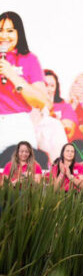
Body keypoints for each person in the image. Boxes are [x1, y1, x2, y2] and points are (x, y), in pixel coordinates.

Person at [0, 11, 51, 168]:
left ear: (18, 33)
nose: (4, 36)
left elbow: (41, 101)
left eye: (10, 31)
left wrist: (12, 76)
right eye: (0, 30)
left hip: (18, 124)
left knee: (21, 176)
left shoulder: (29, 59)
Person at [44, 69, 78, 141]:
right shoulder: (29, 107)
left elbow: (68, 134)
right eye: (45, 85)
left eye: (52, 86)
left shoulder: (65, 107)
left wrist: (50, 112)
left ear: (56, 88)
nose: (49, 89)